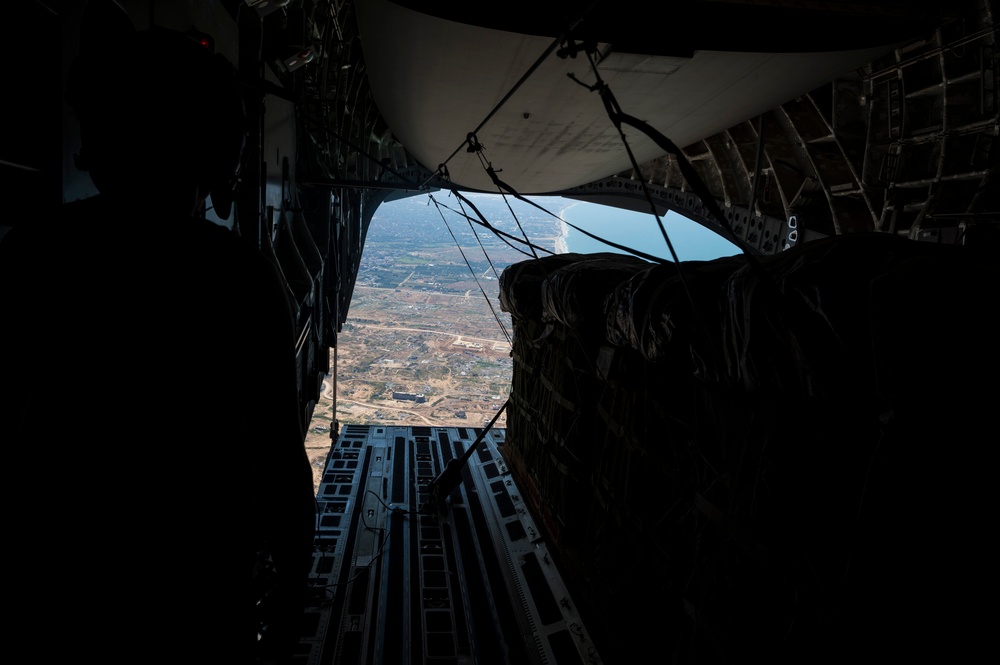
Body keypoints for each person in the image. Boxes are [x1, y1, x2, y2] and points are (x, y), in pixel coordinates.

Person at [0, 5, 315, 663]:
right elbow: (283, 471)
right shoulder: (240, 279)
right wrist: (288, 612)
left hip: (53, 593)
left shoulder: (35, 255)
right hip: (194, 601)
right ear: (211, 153)